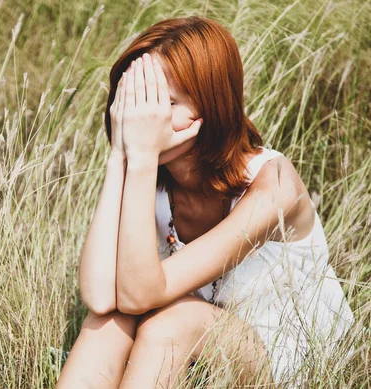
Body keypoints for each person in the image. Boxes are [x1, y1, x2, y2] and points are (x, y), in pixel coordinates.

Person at [54, 16, 355, 389]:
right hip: (198, 349)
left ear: (207, 109)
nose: (141, 118)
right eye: (135, 100)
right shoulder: (151, 179)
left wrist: (143, 157)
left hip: (287, 355)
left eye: (163, 102)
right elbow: (100, 297)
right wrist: (120, 156)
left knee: (171, 323)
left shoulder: (273, 182)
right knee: (107, 322)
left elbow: (141, 295)